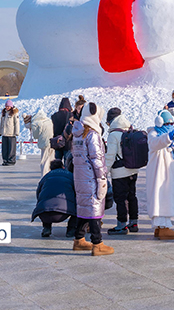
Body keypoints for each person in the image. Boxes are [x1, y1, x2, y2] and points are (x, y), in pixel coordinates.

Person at [69, 103, 112, 256]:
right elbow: (97, 159)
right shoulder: (92, 135)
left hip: (80, 177)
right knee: (94, 209)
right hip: (91, 177)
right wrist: (102, 179)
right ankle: (97, 243)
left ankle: (79, 239)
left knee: (83, 208)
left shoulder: (78, 134)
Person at [146, 110, 174, 240]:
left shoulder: (172, 135)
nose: (169, 125)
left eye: (171, 123)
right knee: (159, 195)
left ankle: (162, 226)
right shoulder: (154, 133)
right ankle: (162, 226)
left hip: (170, 172)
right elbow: (155, 143)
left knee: (168, 195)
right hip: (158, 172)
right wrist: (168, 138)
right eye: (167, 123)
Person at [105, 110, 140, 235]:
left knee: (120, 199)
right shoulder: (129, 130)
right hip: (133, 170)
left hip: (119, 172)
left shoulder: (113, 135)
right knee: (132, 197)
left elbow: (110, 156)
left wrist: (105, 172)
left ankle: (121, 225)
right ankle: (134, 223)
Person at [32, 159, 77, 239]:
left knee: (45, 204)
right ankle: (71, 230)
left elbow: (38, 194)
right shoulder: (70, 176)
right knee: (80, 206)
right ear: (63, 167)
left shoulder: (46, 176)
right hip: (63, 213)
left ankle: (46, 228)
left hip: (43, 212)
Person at [26, 109, 54, 177]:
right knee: (51, 160)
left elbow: (35, 136)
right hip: (53, 142)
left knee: (44, 162)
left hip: (44, 143)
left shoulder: (35, 123)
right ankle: (52, 175)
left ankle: (44, 176)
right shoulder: (48, 120)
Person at [0, 100, 20, 167]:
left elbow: (16, 123)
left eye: (8, 106)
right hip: (4, 133)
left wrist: (16, 132)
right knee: (4, 148)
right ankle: (5, 160)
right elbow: (1, 123)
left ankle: (11, 160)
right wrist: (0, 132)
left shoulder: (14, 113)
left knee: (11, 148)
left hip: (11, 133)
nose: (7, 107)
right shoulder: (4, 113)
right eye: (6, 106)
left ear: (11, 106)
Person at [50, 98, 72, 163]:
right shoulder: (70, 115)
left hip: (57, 142)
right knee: (67, 161)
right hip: (67, 143)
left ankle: (57, 172)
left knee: (57, 161)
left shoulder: (54, 116)